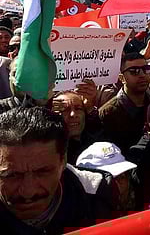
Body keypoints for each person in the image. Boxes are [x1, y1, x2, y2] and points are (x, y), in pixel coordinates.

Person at [0, 106, 112, 234]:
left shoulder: (96, 194)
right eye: (12, 175)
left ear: (63, 160)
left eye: (43, 172)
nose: (28, 192)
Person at [99, 52, 150, 153]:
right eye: (134, 71)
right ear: (122, 78)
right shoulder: (108, 113)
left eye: (145, 69)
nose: (142, 75)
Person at [76, 142, 139, 214]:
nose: (123, 182)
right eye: (114, 177)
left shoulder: (137, 203)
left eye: (123, 175)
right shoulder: (80, 215)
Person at [52, 91, 99, 165]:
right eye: (65, 110)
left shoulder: (98, 141)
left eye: (78, 109)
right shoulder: (52, 153)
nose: (73, 114)